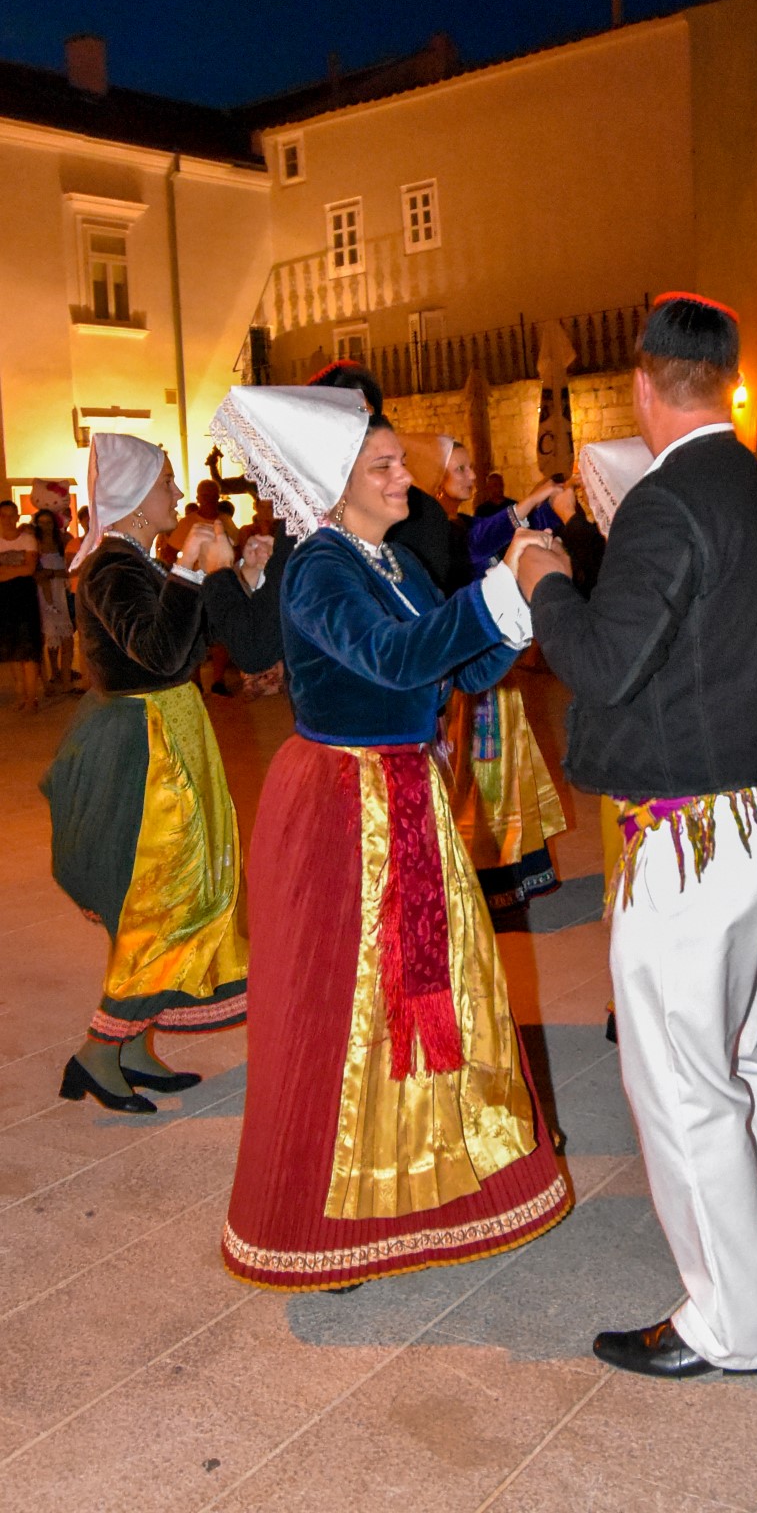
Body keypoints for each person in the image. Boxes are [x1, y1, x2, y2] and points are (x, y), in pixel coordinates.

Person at [522, 292, 757, 1379]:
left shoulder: (669, 499)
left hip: (698, 833)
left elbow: (605, 660)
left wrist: (546, 582)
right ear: (723, 381)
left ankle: (728, 1319)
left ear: (641, 382)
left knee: (683, 1081)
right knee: (740, 1053)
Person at [212, 383, 569, 1291]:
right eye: (382, 465)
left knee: (422, 991)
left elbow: (454, 664)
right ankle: (331, 1208)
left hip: (402, 791)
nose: (400, 474)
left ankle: (423, 1161)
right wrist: (493, 595)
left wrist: (516, 607)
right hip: (345, 804)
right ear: (333, 487)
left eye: (398, 460)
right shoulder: (322, 567)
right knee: (346, 1004)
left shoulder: (389, 561)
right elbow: (395, 660)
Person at [42, 434, 257, 1112]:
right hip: (142, 747)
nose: (175, 493)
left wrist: (233, 578)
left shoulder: (134, 559)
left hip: (167, 734)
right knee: (158, 899)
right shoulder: (113, 567)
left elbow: (188, 648)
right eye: (165, 482)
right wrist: (191, 572)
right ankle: (98, 1051)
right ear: (137, 500)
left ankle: (133, 1046)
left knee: (168, 897)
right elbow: (161, 655)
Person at [422, 437, 571, 911]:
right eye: (460, 470)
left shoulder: (461, 525)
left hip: (493, 664)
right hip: (466, 674)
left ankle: (516, 865)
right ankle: (483, 870)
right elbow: (476, 545)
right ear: (435, 479)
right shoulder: (435, 534)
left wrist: (548, 505)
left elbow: (494, 536)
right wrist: (529, 500)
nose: (469, 477)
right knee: (476, 773)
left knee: (506, 770)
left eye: (469, 468)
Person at [0, 498, 42, 710]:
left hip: (24, 600)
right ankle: (20, 694)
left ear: (18, 517)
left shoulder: (27, 539)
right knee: (11, 650)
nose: (7, 520)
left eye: (11, 515)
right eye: (3, 515)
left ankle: (31, 697)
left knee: (28, 648)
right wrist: (19, 569)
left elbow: (29, 569)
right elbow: (23, 568)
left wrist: (7, 571)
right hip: (4, 600)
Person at [31, 506, 76, 692]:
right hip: (42, 595)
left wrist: (53, 573)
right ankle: (48, 681)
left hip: (60, 593)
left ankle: (65, 681)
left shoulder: (62, 542)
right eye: (41, 523)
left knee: (67, 638)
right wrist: (48, 574)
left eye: (49, 522)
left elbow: (69, 569)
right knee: (46, 639)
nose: (45, 526)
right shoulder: (35, 543)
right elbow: (35, 574)